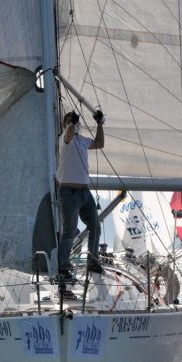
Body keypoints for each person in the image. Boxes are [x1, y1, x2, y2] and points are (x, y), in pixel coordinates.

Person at [56, 108, 105, 280]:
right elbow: (68, 133)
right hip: (68, 193)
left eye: (76, 123)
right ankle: (61, 267)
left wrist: (99, 124)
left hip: (84, 192)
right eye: (71, 123)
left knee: (95, 227)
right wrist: (70, 123)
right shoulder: (64, 139)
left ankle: (92, 261)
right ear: (66, 124)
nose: (75, 125)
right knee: (69, 231)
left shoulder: (83, 141)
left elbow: (100, 143)